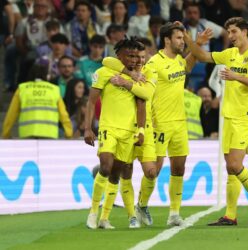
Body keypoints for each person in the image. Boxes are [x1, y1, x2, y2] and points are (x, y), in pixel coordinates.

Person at [183, 17, 248, 226]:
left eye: (233, 32)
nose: (230, 36)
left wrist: (235, 77)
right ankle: (230, 215)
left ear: (244, 31)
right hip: (228, 117)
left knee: (234, 164)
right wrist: (191, 40)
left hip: (245, 117)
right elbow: (202, 56)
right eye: (228, 32)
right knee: (231, 168)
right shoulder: (229, 54)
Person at [145, 22, 210, 226]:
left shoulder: (179, 62)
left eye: (183, 38)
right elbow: (145, 94)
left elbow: (192, 62)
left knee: (179, 168)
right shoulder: (154, 63)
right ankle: (141, 205)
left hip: (180, 123)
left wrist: (196, 43)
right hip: (160, 123)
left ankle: (174, 213)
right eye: (179, 38)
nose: (182, 41)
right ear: (167, 40)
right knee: (153, 169)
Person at [84, 37, 153, 229]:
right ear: (119, 55)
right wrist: (88, 127)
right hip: (108, 128)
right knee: (105, 167)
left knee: (115, 175)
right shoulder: (103, 72)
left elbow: (141, 105)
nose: (133, 60)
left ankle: (105, 218)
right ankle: (93, 212)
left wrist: (140, 130)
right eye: (129, 55)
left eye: (135, 56)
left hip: (128, 132)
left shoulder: (138, 76)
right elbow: (90, 101)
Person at [2, 64, 72, 139]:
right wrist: (69, 133)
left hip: (27, 133)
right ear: (46, 75)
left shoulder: (22, 89)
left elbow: (11, 114)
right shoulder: (54, 90)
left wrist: (6, 133)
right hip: (49, 133)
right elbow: (63, 114)